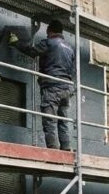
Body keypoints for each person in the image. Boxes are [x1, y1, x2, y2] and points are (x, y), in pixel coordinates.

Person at [8, 19, 76, 151]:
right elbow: (72, 71)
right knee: (63, 119)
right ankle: (66, 148)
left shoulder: (49, 43)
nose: (46, 35)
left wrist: (16, 43)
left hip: (52, 86)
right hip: (67, 88)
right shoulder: (69, 48)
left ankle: (53, 150)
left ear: (50, 31)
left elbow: (32, 51)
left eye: (47, 33)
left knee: (49, 120)